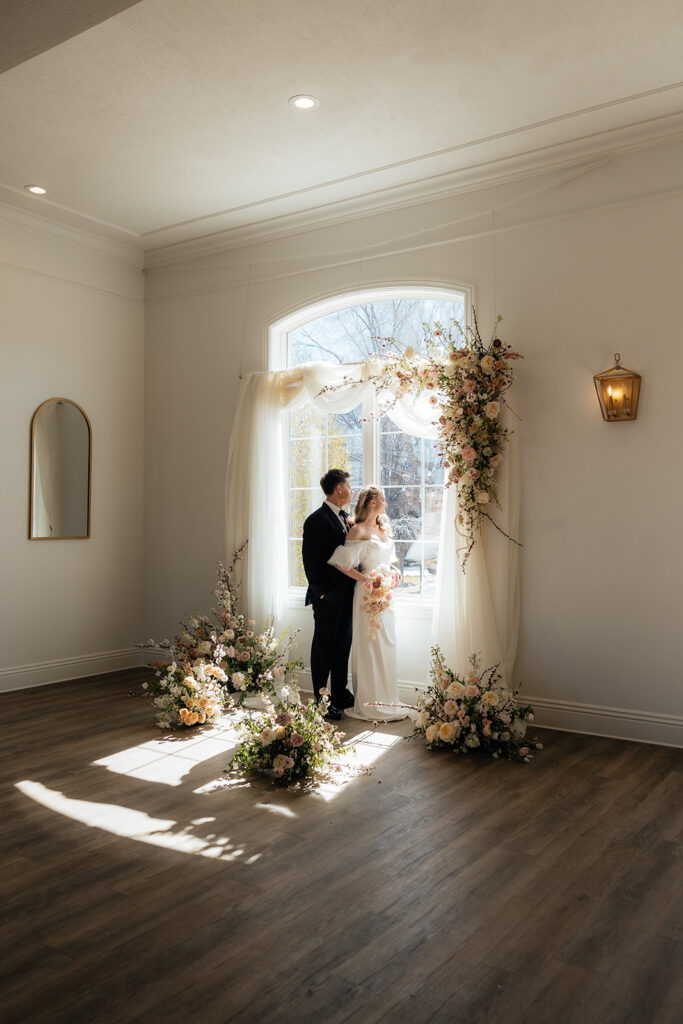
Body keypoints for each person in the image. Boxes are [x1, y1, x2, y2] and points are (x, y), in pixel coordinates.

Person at [327, 485, 407, 721]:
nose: (386, 503)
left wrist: (395, 574)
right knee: (370, 644)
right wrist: (367, 580)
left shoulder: (383, 528)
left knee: (387, 643)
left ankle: (388, 697)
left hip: (386, 595)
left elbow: (387, 561)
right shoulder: (358, 531)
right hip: (366, 593)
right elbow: (342, 564)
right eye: (383, 499)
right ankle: (370, 700)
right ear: (372, 502)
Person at [301, 469, 356, 720]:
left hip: (347, 596)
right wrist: (322, 595)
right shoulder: (316, 520)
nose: (352, 490)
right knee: (324, 648)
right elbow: (310, 563)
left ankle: (340, 693)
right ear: (339, 489)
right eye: (349, 486)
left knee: (343, 645)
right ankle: (321, 701)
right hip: (328, 598)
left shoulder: (345, 518)